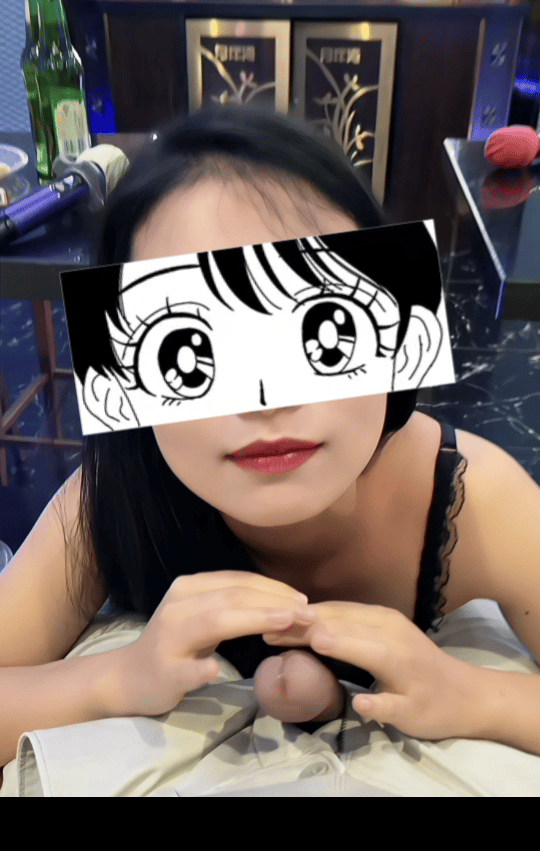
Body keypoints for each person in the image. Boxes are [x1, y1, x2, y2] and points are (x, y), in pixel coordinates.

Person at [56, 102, 482, 730]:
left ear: (403, 333)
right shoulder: (111, 497)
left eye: (327, 332)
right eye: (189, 353)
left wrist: (472, 696)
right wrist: (120, 677)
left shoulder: (467, 498)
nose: (266, 400)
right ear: (122, 375)